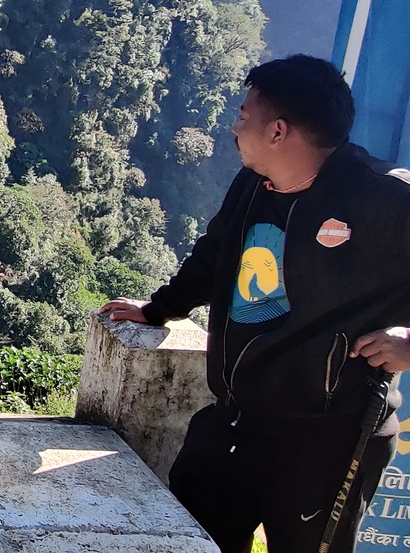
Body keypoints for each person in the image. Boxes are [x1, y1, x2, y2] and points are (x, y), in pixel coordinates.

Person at [101, 55, 410, 552]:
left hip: (328, 443)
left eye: (244, 115)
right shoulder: (253, 184)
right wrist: (158, 309)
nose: (234, 126)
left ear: (278, 131)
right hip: (233, 422)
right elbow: (215, 254)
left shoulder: (386, 200)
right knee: (187, 542)